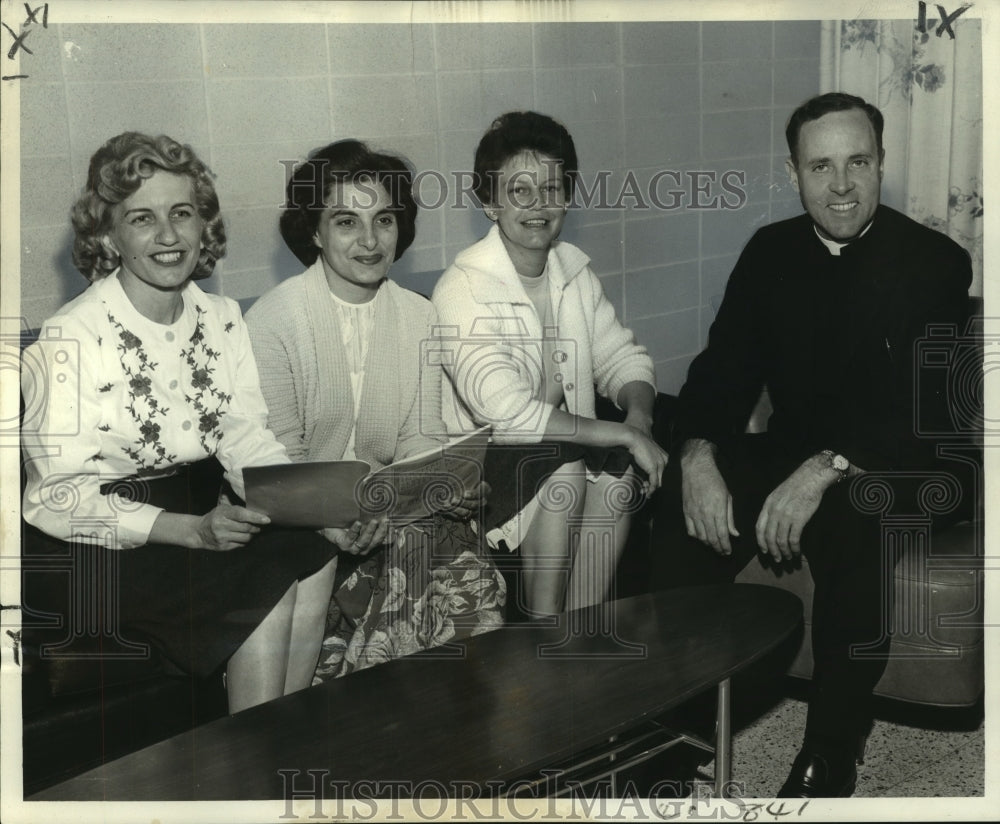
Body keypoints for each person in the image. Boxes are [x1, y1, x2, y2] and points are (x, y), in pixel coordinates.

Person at [650, 93, 975, 797]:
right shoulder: (770, 251)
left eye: (858, 161)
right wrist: (699, 455)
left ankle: (831, 750)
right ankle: (671, 733)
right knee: (681, 500)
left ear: (882, 163)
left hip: (917, 461)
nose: (841, 185)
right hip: (802, 447)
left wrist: (823, 470)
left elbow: (917, 418)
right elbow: (721, 371)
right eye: (820, 165)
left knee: (856, 510)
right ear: (792, 172)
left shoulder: (935, 263)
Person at [20, 132, 339, 714]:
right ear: (108, 234)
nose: (168, 236)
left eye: (182, 214)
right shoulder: (69, 337)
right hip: (89, 544)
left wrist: (325, 509)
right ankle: (253, 772)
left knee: (315, 552)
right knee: (259, 583)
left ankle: (281, 740)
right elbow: (55, 498)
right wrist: (188, 530)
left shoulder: (219, 318)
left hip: (195, 514)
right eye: (142, 218)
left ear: (203, 226)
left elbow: (246, 437)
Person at [245, 139, 505, 679]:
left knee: (451, 551)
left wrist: (445, 482)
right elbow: (280, 462)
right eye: (346, 221)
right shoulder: (274, 320)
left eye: (383, 220)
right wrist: (339, 523)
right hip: (300, 525)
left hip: (388, 516)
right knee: (417, 556)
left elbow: (420, 437)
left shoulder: (420, 315)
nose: (369, 240)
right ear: (313, 231)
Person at [432, 111, 669, 616]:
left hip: (554, 452)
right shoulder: (462, 287)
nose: (539, 205)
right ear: (490, 202)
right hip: (476, 473)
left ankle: (579, 636)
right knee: (566, 472)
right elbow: (507, 414)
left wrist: (639, 421)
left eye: (553, 188)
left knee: (616, 476)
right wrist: (619, 435)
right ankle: (542, 636)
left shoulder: (573, 271)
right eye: (520, 190)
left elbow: (623, 358)